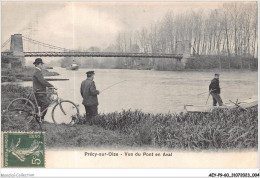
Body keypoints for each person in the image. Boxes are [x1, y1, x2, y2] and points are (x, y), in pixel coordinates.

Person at [32, 58, 54, 122]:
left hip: (40, 91)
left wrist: (49, 87)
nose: (42, 65)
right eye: (41, 64)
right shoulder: (37, 72)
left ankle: (39, 118)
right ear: (38, 64)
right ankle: (40, 117)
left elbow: (42, 81)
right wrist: (51, 86)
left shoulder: (38, 71)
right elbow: (42, 81)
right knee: (46, 103)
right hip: (39, 91)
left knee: (40, 105)